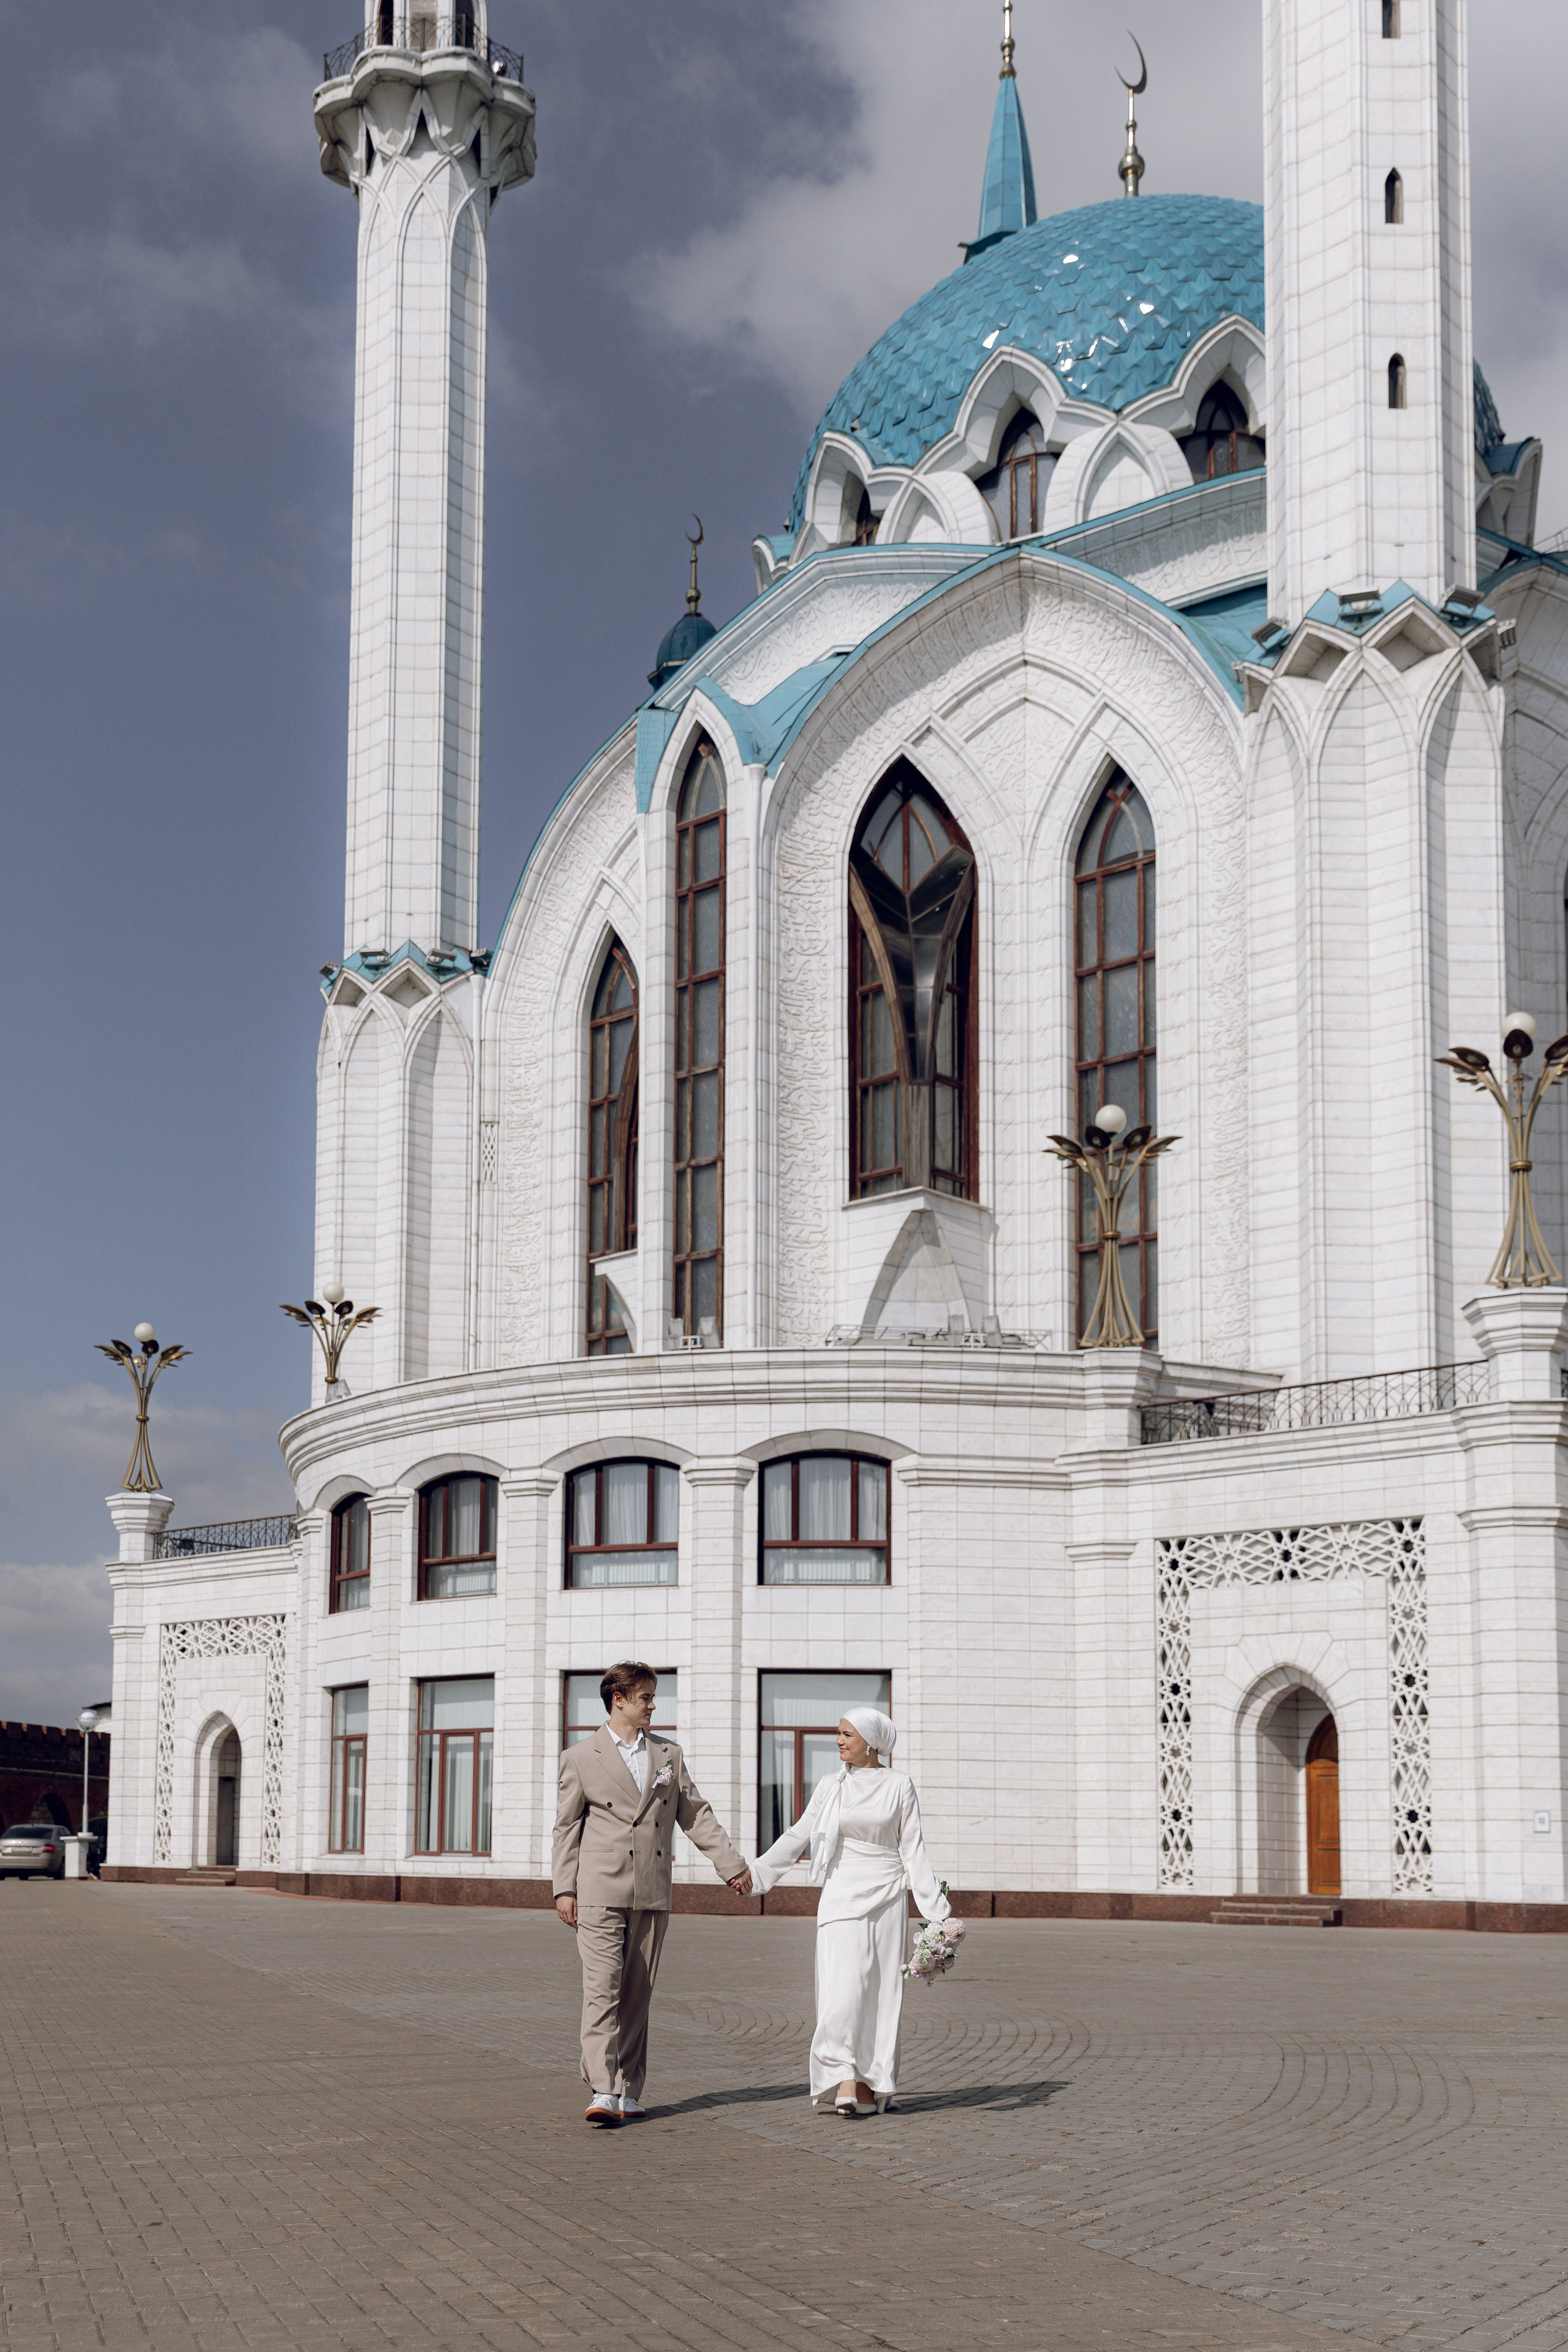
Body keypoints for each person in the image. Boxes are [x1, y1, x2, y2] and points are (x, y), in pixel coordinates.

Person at [552, 1660, 752, 2127]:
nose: (653, 1705)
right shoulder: (580, 1757)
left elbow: (696, 1814)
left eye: (652, 1696)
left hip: (651, 1889)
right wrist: (564, 1888)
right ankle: (603, 2089)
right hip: (599, 1890)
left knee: (637, 1995)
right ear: (618, 1699)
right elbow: (566, 1828)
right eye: (645, 1697)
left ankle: (628, 2088)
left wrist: (731, 1866)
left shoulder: (668, 1755)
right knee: (602, 1990)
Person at [748, 1705, 948, 2116]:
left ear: (871, 1743)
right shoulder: (830, 1785)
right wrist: (756, 1875)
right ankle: (843, 2076)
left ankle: (871, 2086)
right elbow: (799, 1834)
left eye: (847, 1734)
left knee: (881, 1993)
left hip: (889, 1896)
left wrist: (938, 1915)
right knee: (843, 1989)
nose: (838, 1741)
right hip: (841, 1893)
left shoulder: (899, 1784)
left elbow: (913, 1850)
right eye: (838, 1733)